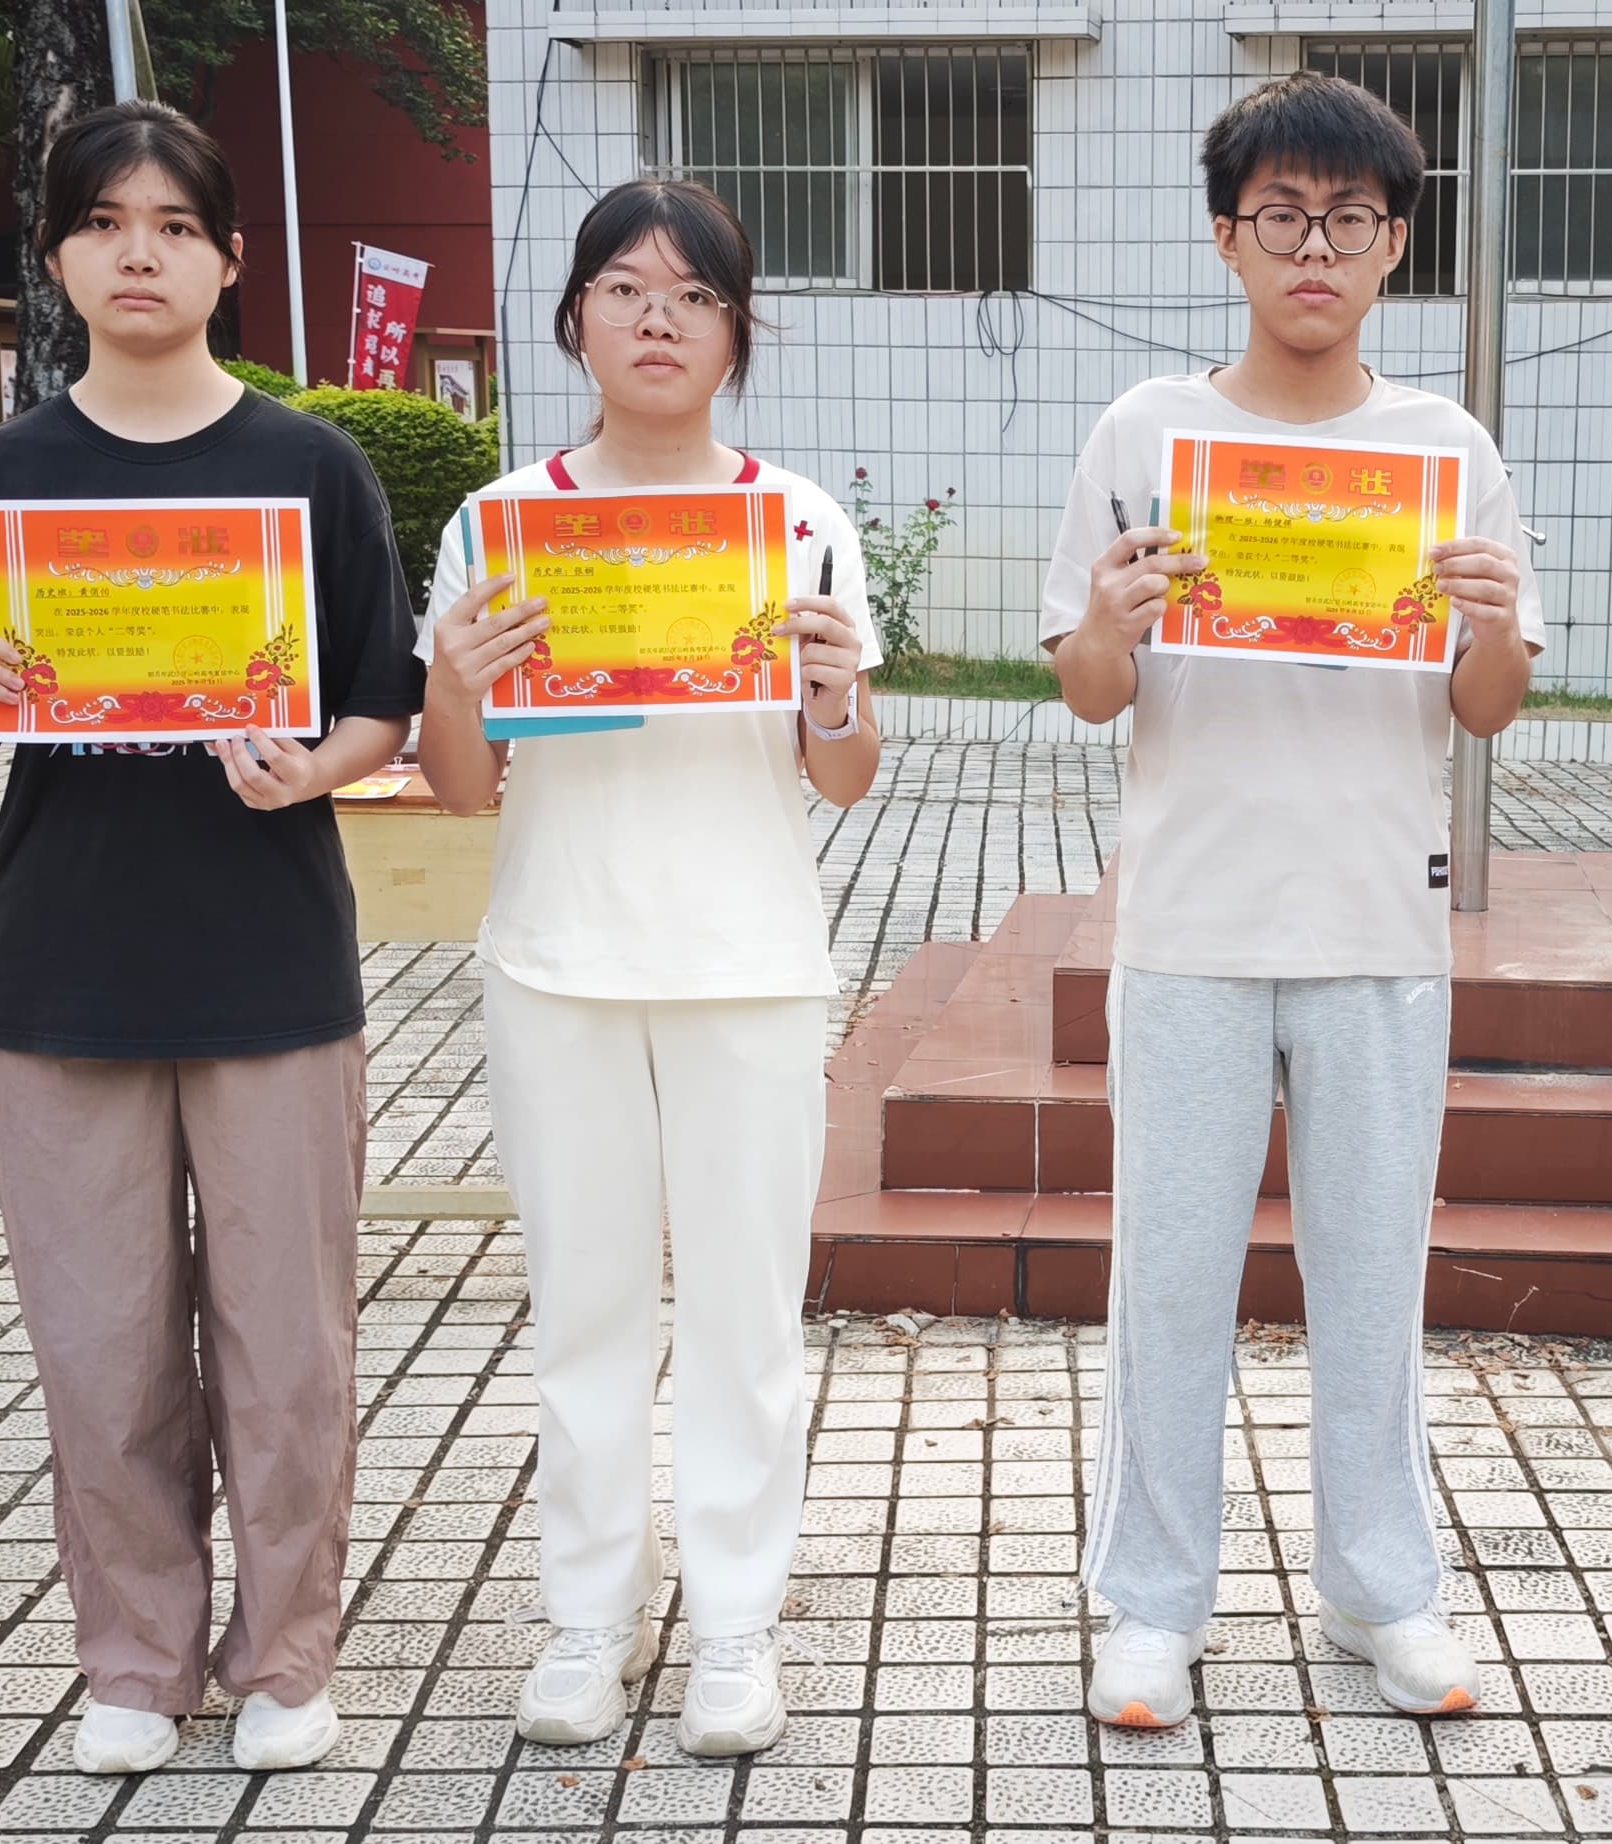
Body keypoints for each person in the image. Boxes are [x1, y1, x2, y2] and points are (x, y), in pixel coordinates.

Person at [0, 100, 421, 1776]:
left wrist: (309, 768)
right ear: (55, 258)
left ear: (229, 260)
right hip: (65, 972)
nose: (141, 253)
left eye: (176, 226)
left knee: (287, 1343)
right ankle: (132, 1660)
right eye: (105, 223)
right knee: (101, 1343)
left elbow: (383, 704)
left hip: (271, 966)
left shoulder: (311, 469)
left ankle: (286, 1658)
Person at [1041, 71, 1541, 1731]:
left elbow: (1484, 712)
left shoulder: (1446, 450)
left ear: (1396, 244)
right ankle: (1150, 1606)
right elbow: (1091, 694)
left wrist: (1493, 627)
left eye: (1349, 219)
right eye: (1281, 217)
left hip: (1376, 921)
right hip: (1191, 920)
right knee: (1170, 1283)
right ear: (1226, 237)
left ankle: (1383, 1590)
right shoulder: (1146, 434)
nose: (1313, 248)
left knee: (1373, 1282)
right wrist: (1109, 620)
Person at [411, 178, 880, 1759]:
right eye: (624, 289)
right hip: (561, 961)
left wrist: (833, 692)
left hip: (750, 965)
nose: (658, 319)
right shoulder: (501, 527)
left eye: (694, 295)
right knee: (586, 1314)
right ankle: (586, 1620)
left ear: (738, 333)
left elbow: (844, 776)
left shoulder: (797, 523)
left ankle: (736, 1625)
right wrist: (457, 682)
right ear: (575, 322)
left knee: (748, 1320)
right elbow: (461, 789)